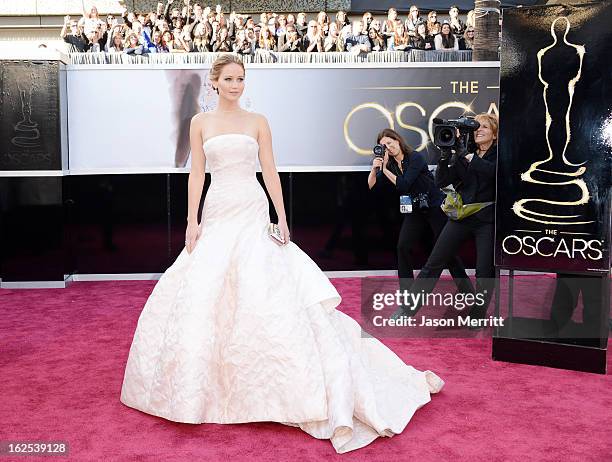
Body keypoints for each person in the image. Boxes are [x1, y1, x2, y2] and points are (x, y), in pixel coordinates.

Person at [120, 54, 443, 454]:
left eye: (242, 78)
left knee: (265, 285)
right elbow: (196, 174)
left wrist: (282, 216)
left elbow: (270, 170)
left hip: (253, 208)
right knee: (205, 285)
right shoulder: (200, 123)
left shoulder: (258, 121)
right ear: (215, 83)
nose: (237, 85)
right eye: (230, 79)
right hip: (218, 208)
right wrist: (191, 220)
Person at [394, 113, 498, 324]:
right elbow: (442, 181)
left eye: (485, 127)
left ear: (494, 135)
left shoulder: (499, 154)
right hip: (461, 216)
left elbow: (495, 173)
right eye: (477, 127)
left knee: (484, 270)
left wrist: (468, 157)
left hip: (487, 220)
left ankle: (477, 315)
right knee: (433, 263)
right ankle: (408, 309)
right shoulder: (464, 152)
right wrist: (444, 157)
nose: (479, 130)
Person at [368, 129, 473, 302]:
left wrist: (385, 169)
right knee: (402, 247)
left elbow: (404, 183)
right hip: (415, 210)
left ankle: (468, 293)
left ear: (398, 141)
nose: (388, 147)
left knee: (447, 253)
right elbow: (372, 186)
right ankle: (408, 295)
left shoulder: (415, 157)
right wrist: (375, 169)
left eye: (390, 142)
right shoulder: (391, 164)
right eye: (383, 146)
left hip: (434, 207)